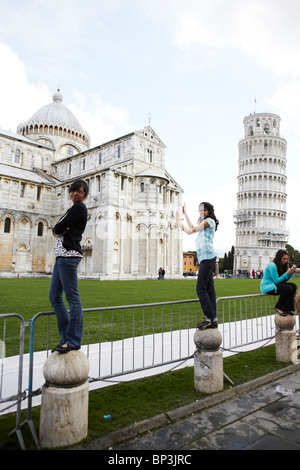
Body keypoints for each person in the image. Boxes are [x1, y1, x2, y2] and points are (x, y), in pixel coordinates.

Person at [49, 180, 89, 353]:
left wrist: (59, 229)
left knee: (72, 298)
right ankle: (65, 336)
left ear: (85, 195)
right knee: (54, 297)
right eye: (73, 191)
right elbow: (56, 229)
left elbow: (58, 227)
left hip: (69, 256)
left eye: (79, 192)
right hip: (61, 257)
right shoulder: (71, 209)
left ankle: (72, 340)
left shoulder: (79, 208)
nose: (75, 194)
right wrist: (58, 229)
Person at [176, 202, 219, 330]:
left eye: (204, 210)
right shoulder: (205, 224)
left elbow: (189, 231)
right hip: (205, 258)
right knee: (209, 290)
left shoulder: (209, 221)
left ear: (209, 211)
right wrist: (185, 214)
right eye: (200, 210)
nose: (201, 212)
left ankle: (209, 318)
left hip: (207, 257)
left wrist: (178, 221)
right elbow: (193, 227)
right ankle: (213, 319)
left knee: (200, 289)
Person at [260, 249, 297, 316]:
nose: (286, 261)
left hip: (275, 285)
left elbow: (284, 281)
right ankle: (279, 307)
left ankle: (288, 308)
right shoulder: (272, 265)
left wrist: (290, 273)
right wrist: (286, 273)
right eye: (284, 259)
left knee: (293, 286)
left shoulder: (283, 266)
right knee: (288, 288)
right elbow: (276, 281)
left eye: (287, 259)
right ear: (279, 258)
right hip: (268, 286)